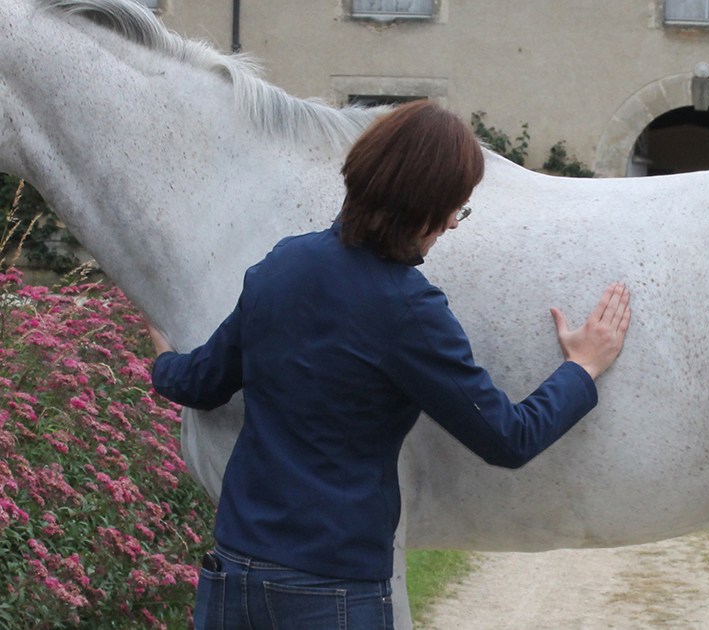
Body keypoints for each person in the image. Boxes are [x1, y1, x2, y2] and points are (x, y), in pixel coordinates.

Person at [146, 101, 631, 630]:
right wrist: (581, 367)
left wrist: (163, 360)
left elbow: (202, 381)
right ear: (422, 207)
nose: (451, 222)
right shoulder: (408, 310)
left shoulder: (280, 264)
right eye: (455, 207)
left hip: (232, 575)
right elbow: (507, 439)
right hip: (330, 593)